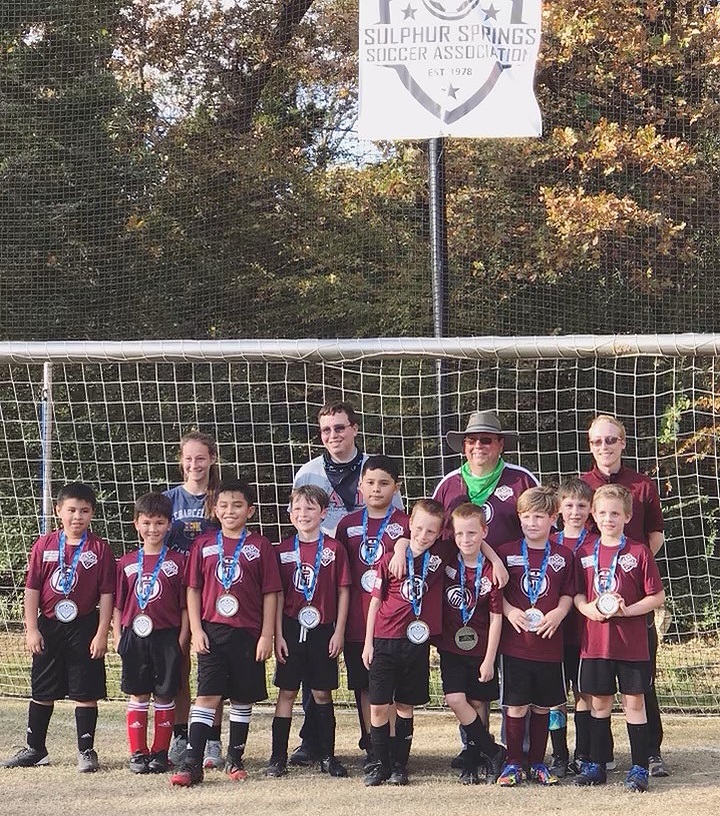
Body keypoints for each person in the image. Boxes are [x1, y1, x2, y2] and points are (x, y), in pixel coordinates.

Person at [290, 400, 403, 766]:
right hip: (319, 581)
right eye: (326, 430)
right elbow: (298, 518)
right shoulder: (308, 472)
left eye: (340, 428)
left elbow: (400, 526)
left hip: (369, 581)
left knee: (372, 667)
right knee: (313, 659)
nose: (333, 435)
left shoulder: (375, 470)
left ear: (354, 428)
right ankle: (312, 739)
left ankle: (378, 739)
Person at [434, 410, 538, 767]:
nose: (479, 446)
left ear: (500, 444)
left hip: (518, 594)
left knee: (509, 677)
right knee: (468, 678)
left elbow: (536, 533)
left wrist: (498, 566)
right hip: (461, 599)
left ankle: (518, 750)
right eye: (473, 440)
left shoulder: (522, 480)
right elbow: (436, 535)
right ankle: (475, 748)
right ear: (463, 446)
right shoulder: (448, 485)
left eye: (487, 440)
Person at [170, 478, 281, 787]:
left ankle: (235, 756)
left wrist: (266, 635)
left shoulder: (260, 547)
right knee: (206, 695)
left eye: (237, 505)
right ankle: (193, 763)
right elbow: (192, 589)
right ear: (214, 509)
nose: (230, 511)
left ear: (250, 510)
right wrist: (196, 629)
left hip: (248, 631)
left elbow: (271, 593)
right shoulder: (203, 545)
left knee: (243, 698)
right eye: (223, 505)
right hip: (212, 631)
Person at [1, 483, 115, 773]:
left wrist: (102, 632)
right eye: (72, 510)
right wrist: (31, 629)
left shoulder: (99, 549)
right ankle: (35, 748)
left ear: (92, 514)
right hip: (49, 625)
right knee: (42, 688)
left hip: (85, 626)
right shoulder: (44, 545)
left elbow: (106, 595)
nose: (77, 516)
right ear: (58, 511)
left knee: (85, 690)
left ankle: (86, 750)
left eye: (85, 511)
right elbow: (32, 589)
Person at [581, 414, 668, 777]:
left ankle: (650, 754)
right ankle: (595, 756)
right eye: (598, 441)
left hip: (631, 601)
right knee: (592, 690)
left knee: (639, 684)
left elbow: (655, 536)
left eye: (611, 440)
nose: (605, 446)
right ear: (590, 446)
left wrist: (628, 574)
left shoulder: (642, 485)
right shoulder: (582, 485)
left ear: (623, 442)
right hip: (593, 604)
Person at [362, 498, 451, 787]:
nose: (423, 536)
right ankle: (380, 763)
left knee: (405, 706)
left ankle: (400, 765)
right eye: (419, 528)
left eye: (430, 532)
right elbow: (375, 603)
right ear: (409, 524)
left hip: (416, 644)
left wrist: (497, 561)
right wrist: (367, 643)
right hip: (384, 641)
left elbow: (473, 535)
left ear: (439, 534)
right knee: (378, 706)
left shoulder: (439, 558)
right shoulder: (389, 559)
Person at [266, 485, 351, 779]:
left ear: (323, 513)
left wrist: (338, 631)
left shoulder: (334, 549)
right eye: (298, 509)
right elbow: (275, 597)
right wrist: (277, 635)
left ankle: (328, 756)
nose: (304, 514)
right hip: (290, 628)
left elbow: (343, 592)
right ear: (290, 514)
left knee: (321, 692)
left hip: (323, 628)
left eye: (311, 508)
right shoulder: (282, 551)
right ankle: (277, 758)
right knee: (287, 691)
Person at [335, 455, 410, 770]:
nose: (376, 489)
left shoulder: (406, 523)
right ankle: (372, 746)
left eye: (384, 483)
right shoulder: (347, 525)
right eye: (370, 483)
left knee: (393, 689)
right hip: (357, 621)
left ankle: (394, 746)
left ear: (396, 487)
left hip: (396, 624)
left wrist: (404, 544)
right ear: (361, 487)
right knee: (364, 684)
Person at [496, 486, 574, 787]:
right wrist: (509, 610)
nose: (532, 523)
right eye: (526, 516)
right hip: (515, 645)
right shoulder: (507, 552)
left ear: (553, 518)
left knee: (543, 706)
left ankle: (538, 763)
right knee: (515, 706)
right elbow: (496, 593)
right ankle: (514, 762)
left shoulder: (564, 555)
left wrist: (558, 613)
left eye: (539, 516)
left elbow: (569, 593)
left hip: (549, 646)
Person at [113, 492, 188, 774]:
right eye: (147, 523)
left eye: (159, 523)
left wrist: (181, 639)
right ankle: (137, 752)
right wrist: (118, 636)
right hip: (134, 636)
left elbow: (183, 607)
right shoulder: (126, 562)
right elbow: (119, 604)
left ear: (169, 525)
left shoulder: (178, 563)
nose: (153, 529)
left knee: (165, 695)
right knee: (138, 695)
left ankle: (160, 752)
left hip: (167, 635)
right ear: (136, 524)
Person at [164, 431, 223, 770]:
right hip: (175, 594)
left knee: (211, 668)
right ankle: (181, 733)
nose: (194, 464)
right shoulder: (167, 499)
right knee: (180, 665)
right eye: (188, 458)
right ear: (181, 461)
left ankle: (212, 737)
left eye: (200, 458)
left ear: (212, 459)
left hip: (215, 593)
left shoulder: (221, 499)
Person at [435, 503, 506, 785]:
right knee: (455, 699)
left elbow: (497, 618)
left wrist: (489, 659)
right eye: (460, 533)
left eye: (472, 533)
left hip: (481, 650)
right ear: (452, 534)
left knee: (478, 704)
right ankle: (492, 750)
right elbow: (413, 538)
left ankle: (476, 760)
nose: (466, 539)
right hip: (451, 648)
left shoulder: (492, 572)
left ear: (484, 532)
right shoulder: (448, 560)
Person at [548, 477, 596, 777]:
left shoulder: (597, 542)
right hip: (553, 635)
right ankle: (559, 754)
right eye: (569, 505)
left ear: (590, 509)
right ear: (559, 509)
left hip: (586, 634)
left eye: (581, 505)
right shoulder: (549, 541)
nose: (575, 511)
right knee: (554, 699)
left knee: (583, 695)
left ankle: (583, 752)